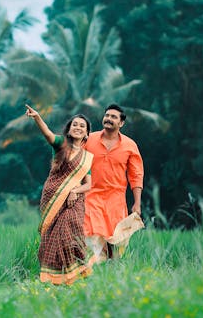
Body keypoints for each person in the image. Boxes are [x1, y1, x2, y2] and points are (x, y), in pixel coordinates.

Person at [25, 104, 94, 285]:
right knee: (51, 237)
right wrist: (38, 117)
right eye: (75, 125)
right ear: (69, 130)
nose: (78, 127)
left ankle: (73, 276)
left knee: (71, 233)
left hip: (74, 200)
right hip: (53, 196)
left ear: (86, 134)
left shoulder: (87, 158)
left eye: (82, 126)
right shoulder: (60, 145)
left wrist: (74, 190)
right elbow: (47, 133)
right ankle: (54, 278)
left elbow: (89, 185)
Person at [84, 103, 144, 263]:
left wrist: (137, 203)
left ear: (121, 123)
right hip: (91, 195)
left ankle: (111, 269)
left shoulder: (130, 146)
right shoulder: (89, 139)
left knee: (115, 240)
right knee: (94, 233)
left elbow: (136, 175)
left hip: (116, 199)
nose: (108, 119)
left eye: (113, 117)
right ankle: (90, 268)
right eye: (107, 115)